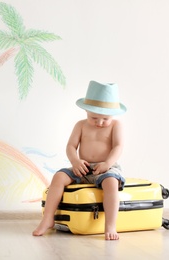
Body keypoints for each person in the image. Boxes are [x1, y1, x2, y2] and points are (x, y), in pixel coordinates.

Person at [32, 80, 127, 240]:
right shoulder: (80, 125)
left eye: (105, 118)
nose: (99, 122)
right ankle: (48, 218)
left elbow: (118, 146)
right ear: (86, 111)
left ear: (113, 115)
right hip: (82, 166)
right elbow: (70, 146)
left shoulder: (116, 126)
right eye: (94, 117)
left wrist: (107, 164)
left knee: (111, 183)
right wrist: (75, 162)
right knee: (59, 177)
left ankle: (110, 225)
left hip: (106, 167)